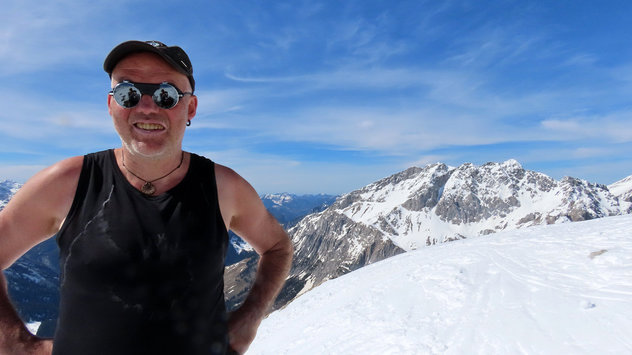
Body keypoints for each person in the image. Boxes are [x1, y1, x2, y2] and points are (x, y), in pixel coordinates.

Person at [0, 40, 293, 354]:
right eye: (129, 93)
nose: (148, 107)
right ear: (111, 104)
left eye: (166, 94)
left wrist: (249, 319)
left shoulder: (224, 187)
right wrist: (15, 341)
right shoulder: (66, 183)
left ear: (190, 107)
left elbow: (277, 246)